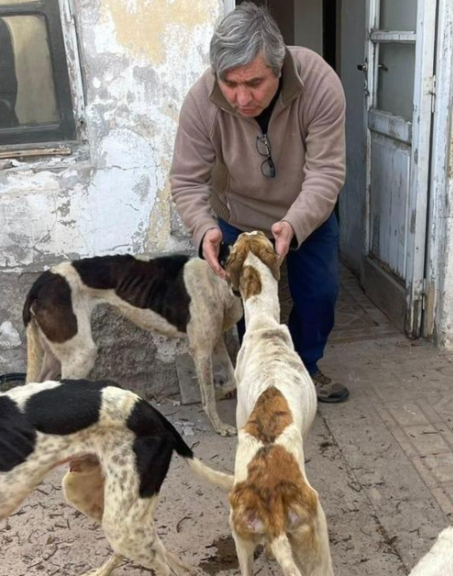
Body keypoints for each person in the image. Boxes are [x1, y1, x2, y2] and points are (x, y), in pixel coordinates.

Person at [170, 3, 349, 403]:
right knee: (247, 304)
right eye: (230, 83)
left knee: (319, 295)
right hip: (237, 216)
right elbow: (186, 179)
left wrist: (295, 223)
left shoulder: (318, 81)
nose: (241, 97)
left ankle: (305, 367)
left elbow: (326, 172)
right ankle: (256, 377)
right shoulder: (202, 101)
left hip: (306, 213)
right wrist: (204, 230)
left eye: (254, 82)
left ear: (279, 66)